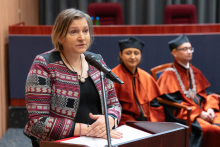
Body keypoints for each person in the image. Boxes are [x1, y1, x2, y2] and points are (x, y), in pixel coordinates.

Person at [23, 8, 122, 147]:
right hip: (59, 143)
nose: (82, 37)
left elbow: (114, 104)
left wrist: (110, 119)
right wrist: (88, 130)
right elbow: (38, 122)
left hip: (97, 140)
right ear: (59, 36)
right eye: (73, 32)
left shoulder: (97, 61)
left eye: (85, 31)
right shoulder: (44, 64)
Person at [157, 34, 220, 147]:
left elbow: (204, 94)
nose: (189, 51)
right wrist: (199, 114)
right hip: (185, 116)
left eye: (190, 48)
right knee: (212, 130)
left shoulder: (195, 71)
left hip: (203, 110)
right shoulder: (168, 76)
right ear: (174, 53)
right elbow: (173, 105)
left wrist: (210, 108)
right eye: (185, 49)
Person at [112, 36, 165, 126]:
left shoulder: (146, 77)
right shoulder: (113, 76)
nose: (133, 57)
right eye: (128, 53)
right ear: (121, 54)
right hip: (124, 121)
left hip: (148, 120)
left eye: (136, 53)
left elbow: (154, 105)